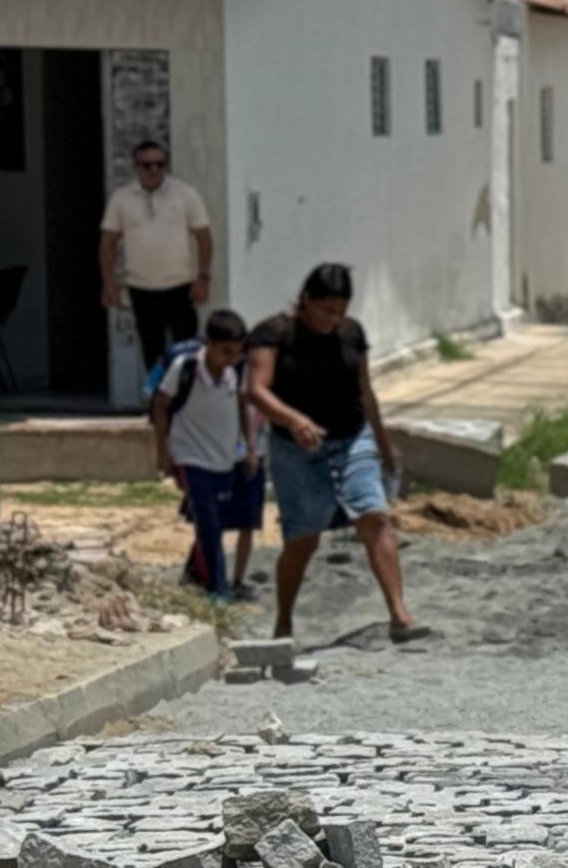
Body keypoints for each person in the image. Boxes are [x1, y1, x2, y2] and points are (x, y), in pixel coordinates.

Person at [247, 263, 431, 643]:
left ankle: (399, 613)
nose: (334, 319)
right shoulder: (275, 334)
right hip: (295, 449)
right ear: (306, 301)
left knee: (374, 518)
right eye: (326, 310)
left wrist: (383, 444)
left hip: (351, 439)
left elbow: (365, 392)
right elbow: (256, 390)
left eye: (341, 311)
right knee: (302, 539)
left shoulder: (351, 334)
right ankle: (283, 622)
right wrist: (294, 420)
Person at [151, 305, 265, 598]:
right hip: (189, 457)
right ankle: (218, 589)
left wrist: (250, 448)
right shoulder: (186, 368)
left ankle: (191, 578)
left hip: (223, 460)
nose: (232, 358)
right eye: (226, 351)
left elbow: (243, 408)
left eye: (237, 352)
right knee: (209, 522)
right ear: (210, 345)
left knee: (211, 522)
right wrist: (164, 453)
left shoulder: (235, 371)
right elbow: (161, 405)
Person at [98, 138, 216, 376]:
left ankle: (186, 402)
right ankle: (157, 403)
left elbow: (203, 237)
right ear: (136, 166)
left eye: (159, 164)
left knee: (186, 351)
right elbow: (108, 241)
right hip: (141, 287)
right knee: (152, 351)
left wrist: (202, 277)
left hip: (180, 285)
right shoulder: (122, 198)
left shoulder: (185, 194)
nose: (153, 170)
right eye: (146, 165)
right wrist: (109, 282)